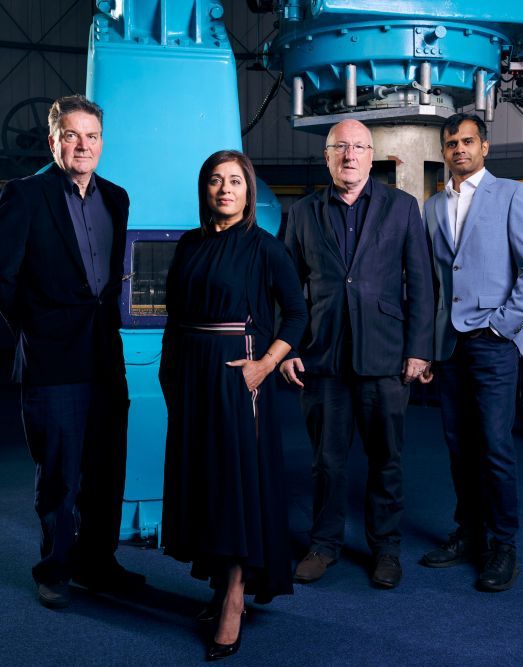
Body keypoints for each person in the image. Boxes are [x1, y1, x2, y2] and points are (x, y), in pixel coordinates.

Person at [0, 94, 142, 609]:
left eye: (91, 137)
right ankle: (55, 569)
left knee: (107, 466)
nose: (82, 145)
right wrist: (34, 330)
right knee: (59, 473)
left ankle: (99, 564)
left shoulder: (116, 198)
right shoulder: (25, 195)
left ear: (102, 143)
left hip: (104, 354)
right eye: (71, 135)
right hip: (53, 358)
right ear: (53, 141)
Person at [159, 150, 307, 661]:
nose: (225, 189)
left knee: (237, 486)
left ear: (249, 191)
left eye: (235, 181)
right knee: (204, 484)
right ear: (205, 189)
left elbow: (296, 314)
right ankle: (220, 585)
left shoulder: (264, 248)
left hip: (238, 377)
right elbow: (174, 316)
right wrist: (169, 374)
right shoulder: (188, 245)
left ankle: (236, 595)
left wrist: (264, 366)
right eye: (216, 181)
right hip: (190, 376)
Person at [280, 119, 434, 590]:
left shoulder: (403, 208)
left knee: (386, 458)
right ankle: (324, 544)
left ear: (373, 155)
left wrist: (419, 349)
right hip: (322, 359)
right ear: (327, 157)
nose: (350, 155)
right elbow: (286, 289)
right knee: (327, 462)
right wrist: (284, 350)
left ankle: (385, 549)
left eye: (359, 147)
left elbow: (423, 284)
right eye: (340, 147)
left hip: (386, 357)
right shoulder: (302, 212)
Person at [419, 113, 523, 592]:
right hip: (449, 346)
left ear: (485, 147)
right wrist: (430, 347)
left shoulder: (513, 194)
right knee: (459, 447)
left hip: (493, 343)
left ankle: (502, 544)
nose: (459, 149)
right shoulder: (433, 206)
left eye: (468, 141)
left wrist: (502, 325)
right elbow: (436, 282)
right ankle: (469, 532)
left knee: (495, 447)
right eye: (451, 142)